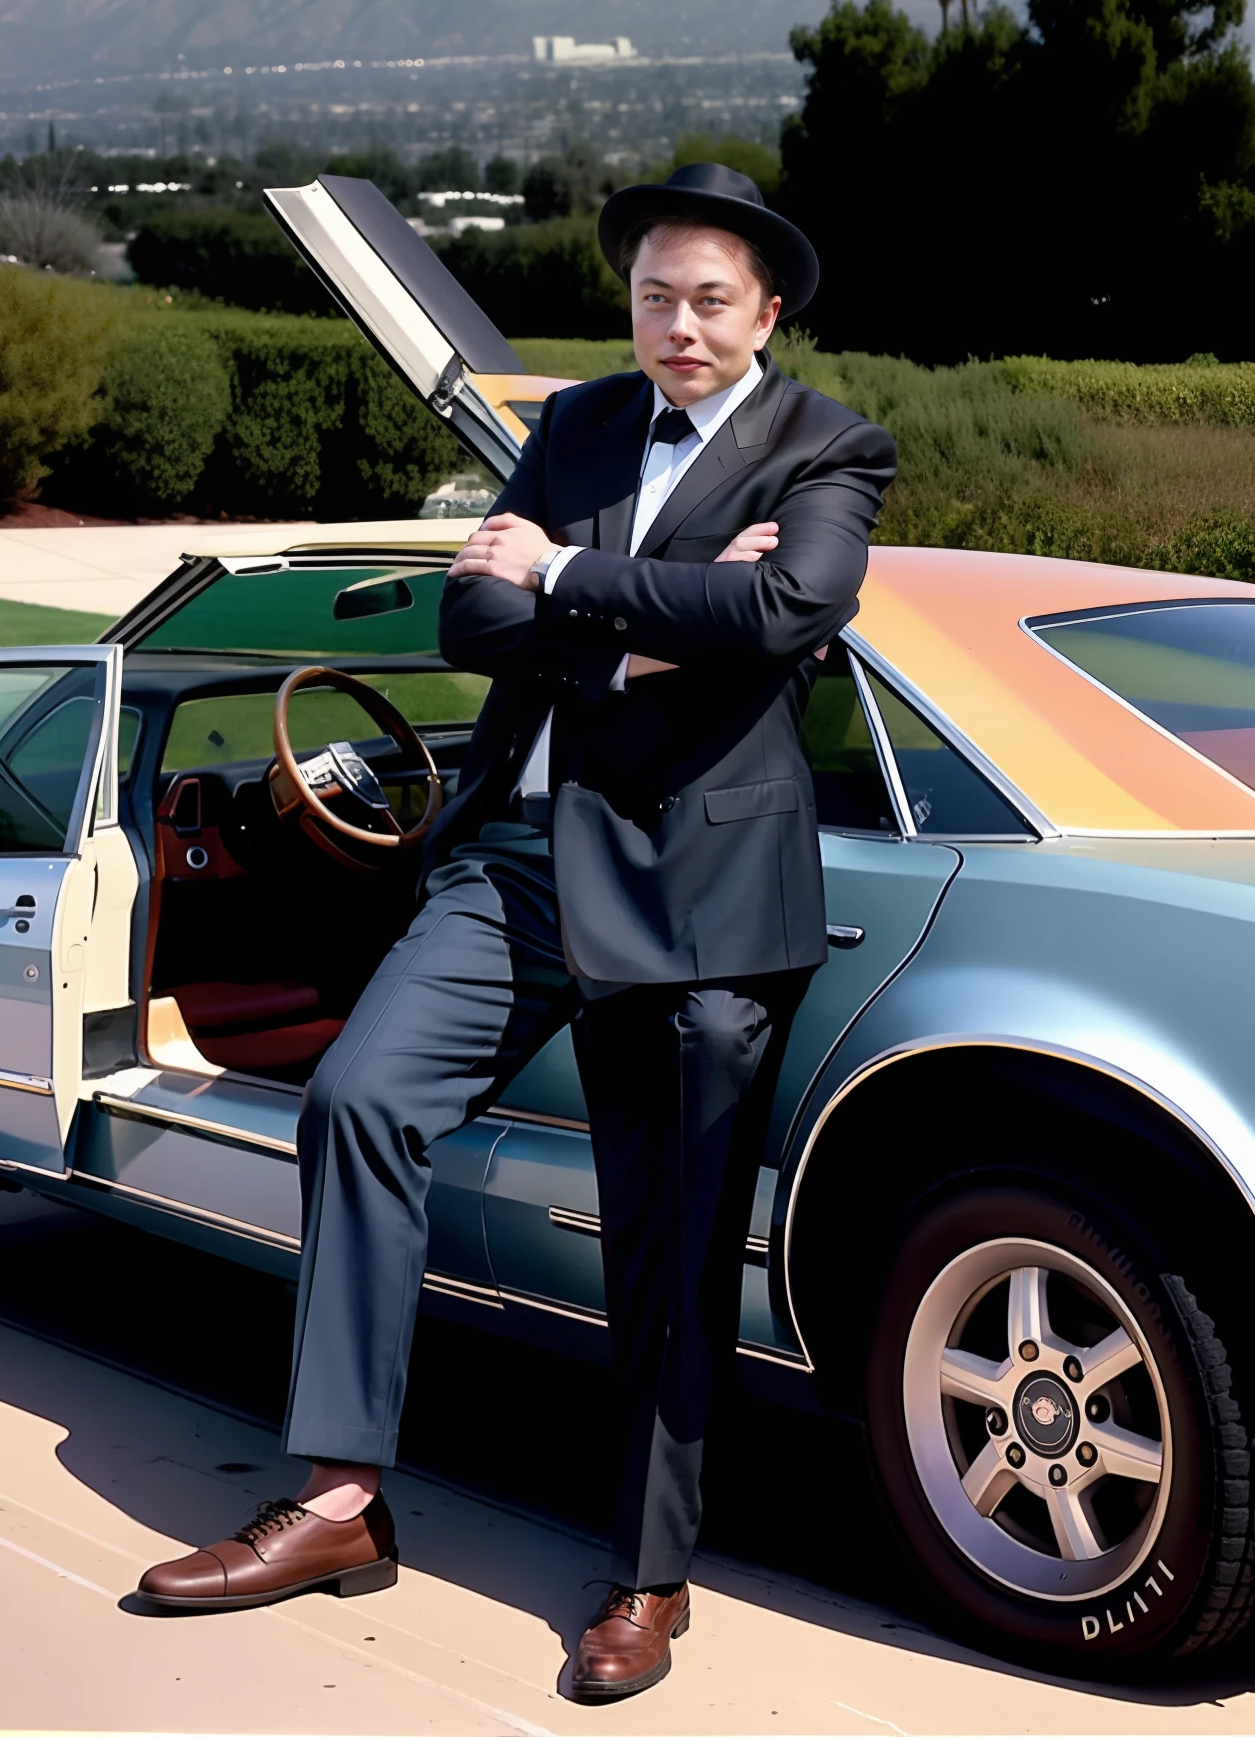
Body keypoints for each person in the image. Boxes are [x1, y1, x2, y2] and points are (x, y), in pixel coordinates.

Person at [138, 162, 897, 1703]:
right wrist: (655, 616)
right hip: (517, 865)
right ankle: (340, 1502)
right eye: (650, 297)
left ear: (767, 311)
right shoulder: (577, 424)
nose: (673, 325)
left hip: (696, 897)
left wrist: (561, 575)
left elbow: (779, 614)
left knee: (663, 1249)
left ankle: (646, 1580)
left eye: (706, 301)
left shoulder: (830, 445)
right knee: (356, 1104)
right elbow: (463, 622)